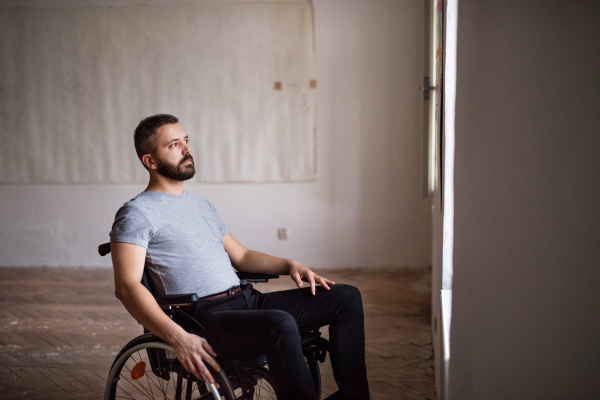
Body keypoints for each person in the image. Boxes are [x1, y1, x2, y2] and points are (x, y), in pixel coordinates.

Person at [110, 114, 370, 400]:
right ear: (150, 161)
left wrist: (290, 265)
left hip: (246, 302)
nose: (187, 150)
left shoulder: (201, 205)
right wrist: (178, 338)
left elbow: (242, 255)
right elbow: (127, 287)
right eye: (174, 144)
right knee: (279, 323)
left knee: (346, 298)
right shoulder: (137, 213)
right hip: (206, 320)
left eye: (186, 141)